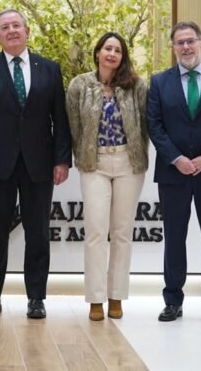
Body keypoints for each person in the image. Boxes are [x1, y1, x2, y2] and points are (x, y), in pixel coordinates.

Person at [0, 9, 72, 319]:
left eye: (16, 26)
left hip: (39, 165)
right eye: (4, 27)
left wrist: (62, 159)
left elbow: (59, 119)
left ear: (27, 31)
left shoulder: (49, 69)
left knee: (38, 233)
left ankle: (36, 298)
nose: (11, 31)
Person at [147, 21, 201, 325]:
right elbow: (154, 125)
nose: (186, 47)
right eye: (179, 43)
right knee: (174, 237)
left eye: (190, 41)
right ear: (173, 48)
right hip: (174, 174)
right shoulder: (159, 83)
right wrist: (177, 158)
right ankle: (172, 300)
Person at [66, 32, 148, 321]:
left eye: (118, 50)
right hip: (94, 162)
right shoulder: (79, 85)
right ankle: (95, 299)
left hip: (129, 161)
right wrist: (84, 153)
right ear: (98, 53)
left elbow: (145, 124)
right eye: (107, 49)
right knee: (96, 232)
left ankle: (116, 297)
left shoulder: (136, 86)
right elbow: (73, 126)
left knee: (123, 233)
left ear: (123, 56)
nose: (112, 54)